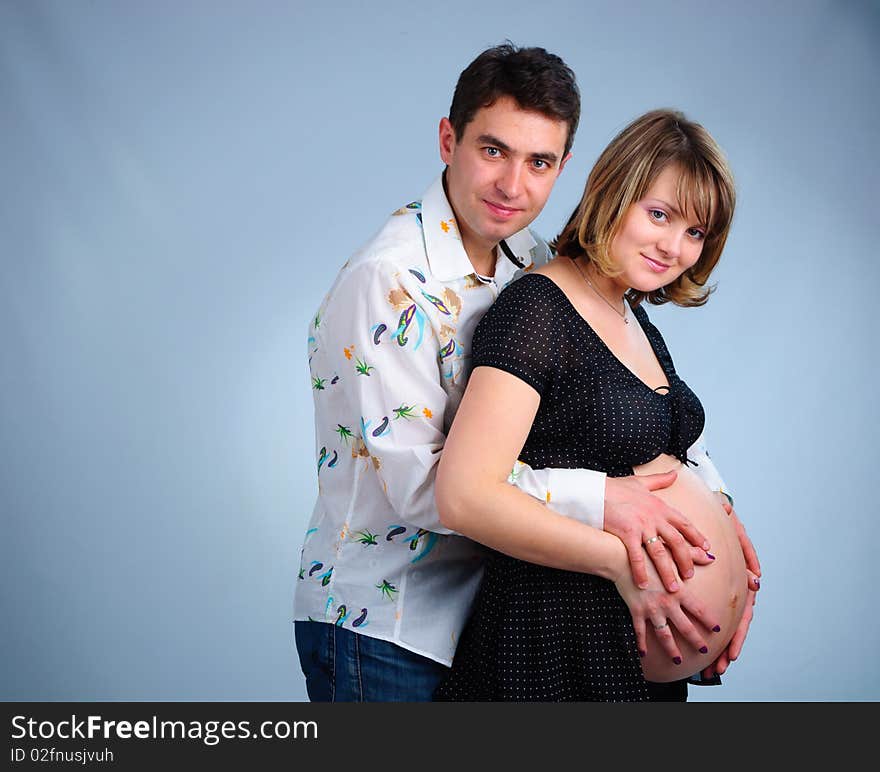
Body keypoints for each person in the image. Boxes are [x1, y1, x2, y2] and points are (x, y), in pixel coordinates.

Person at [294, 44, 756, 702]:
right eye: (492, 151)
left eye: (538, 162)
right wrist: (605, 507)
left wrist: (716, 513)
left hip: (478, 612)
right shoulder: (390, 279)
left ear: (564, 166)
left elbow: (638, 406)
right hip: (385, 622)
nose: (514, 185)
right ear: (448, 139)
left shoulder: (530, 260)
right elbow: (430, 488)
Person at [433, 108, 760, 701]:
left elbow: (668, 456)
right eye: (659, 215)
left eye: (696, 233)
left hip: (630, 656)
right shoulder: (537, 311)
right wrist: (619, 563)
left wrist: (725, 529)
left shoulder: (633, 317)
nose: (675, 247)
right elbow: (465, 495)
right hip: (557, 643)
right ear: (614, 194)